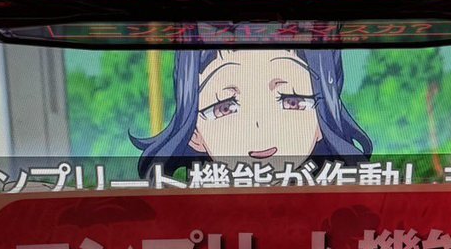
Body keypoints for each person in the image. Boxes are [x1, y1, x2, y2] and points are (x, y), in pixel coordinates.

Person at [134, 48, 371, 177]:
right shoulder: (179, 215)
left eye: (291, 100)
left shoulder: (349, 209)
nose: (260, 128)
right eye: (225, 107)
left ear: (323, 118)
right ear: (194, 132)